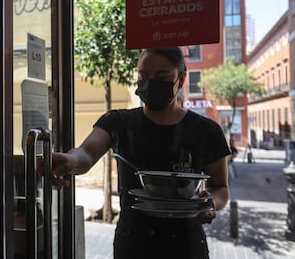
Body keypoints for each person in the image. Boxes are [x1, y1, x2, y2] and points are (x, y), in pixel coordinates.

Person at [51, 47, 230, 259]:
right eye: (143, 76)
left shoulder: (206, 131)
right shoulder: (118, 122)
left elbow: (220, 188)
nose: (150, 83)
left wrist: (211, 203)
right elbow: (86, 153)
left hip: (186, 246)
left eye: (161, 77)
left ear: (180, 80)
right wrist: (70, 161)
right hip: (133, 244)